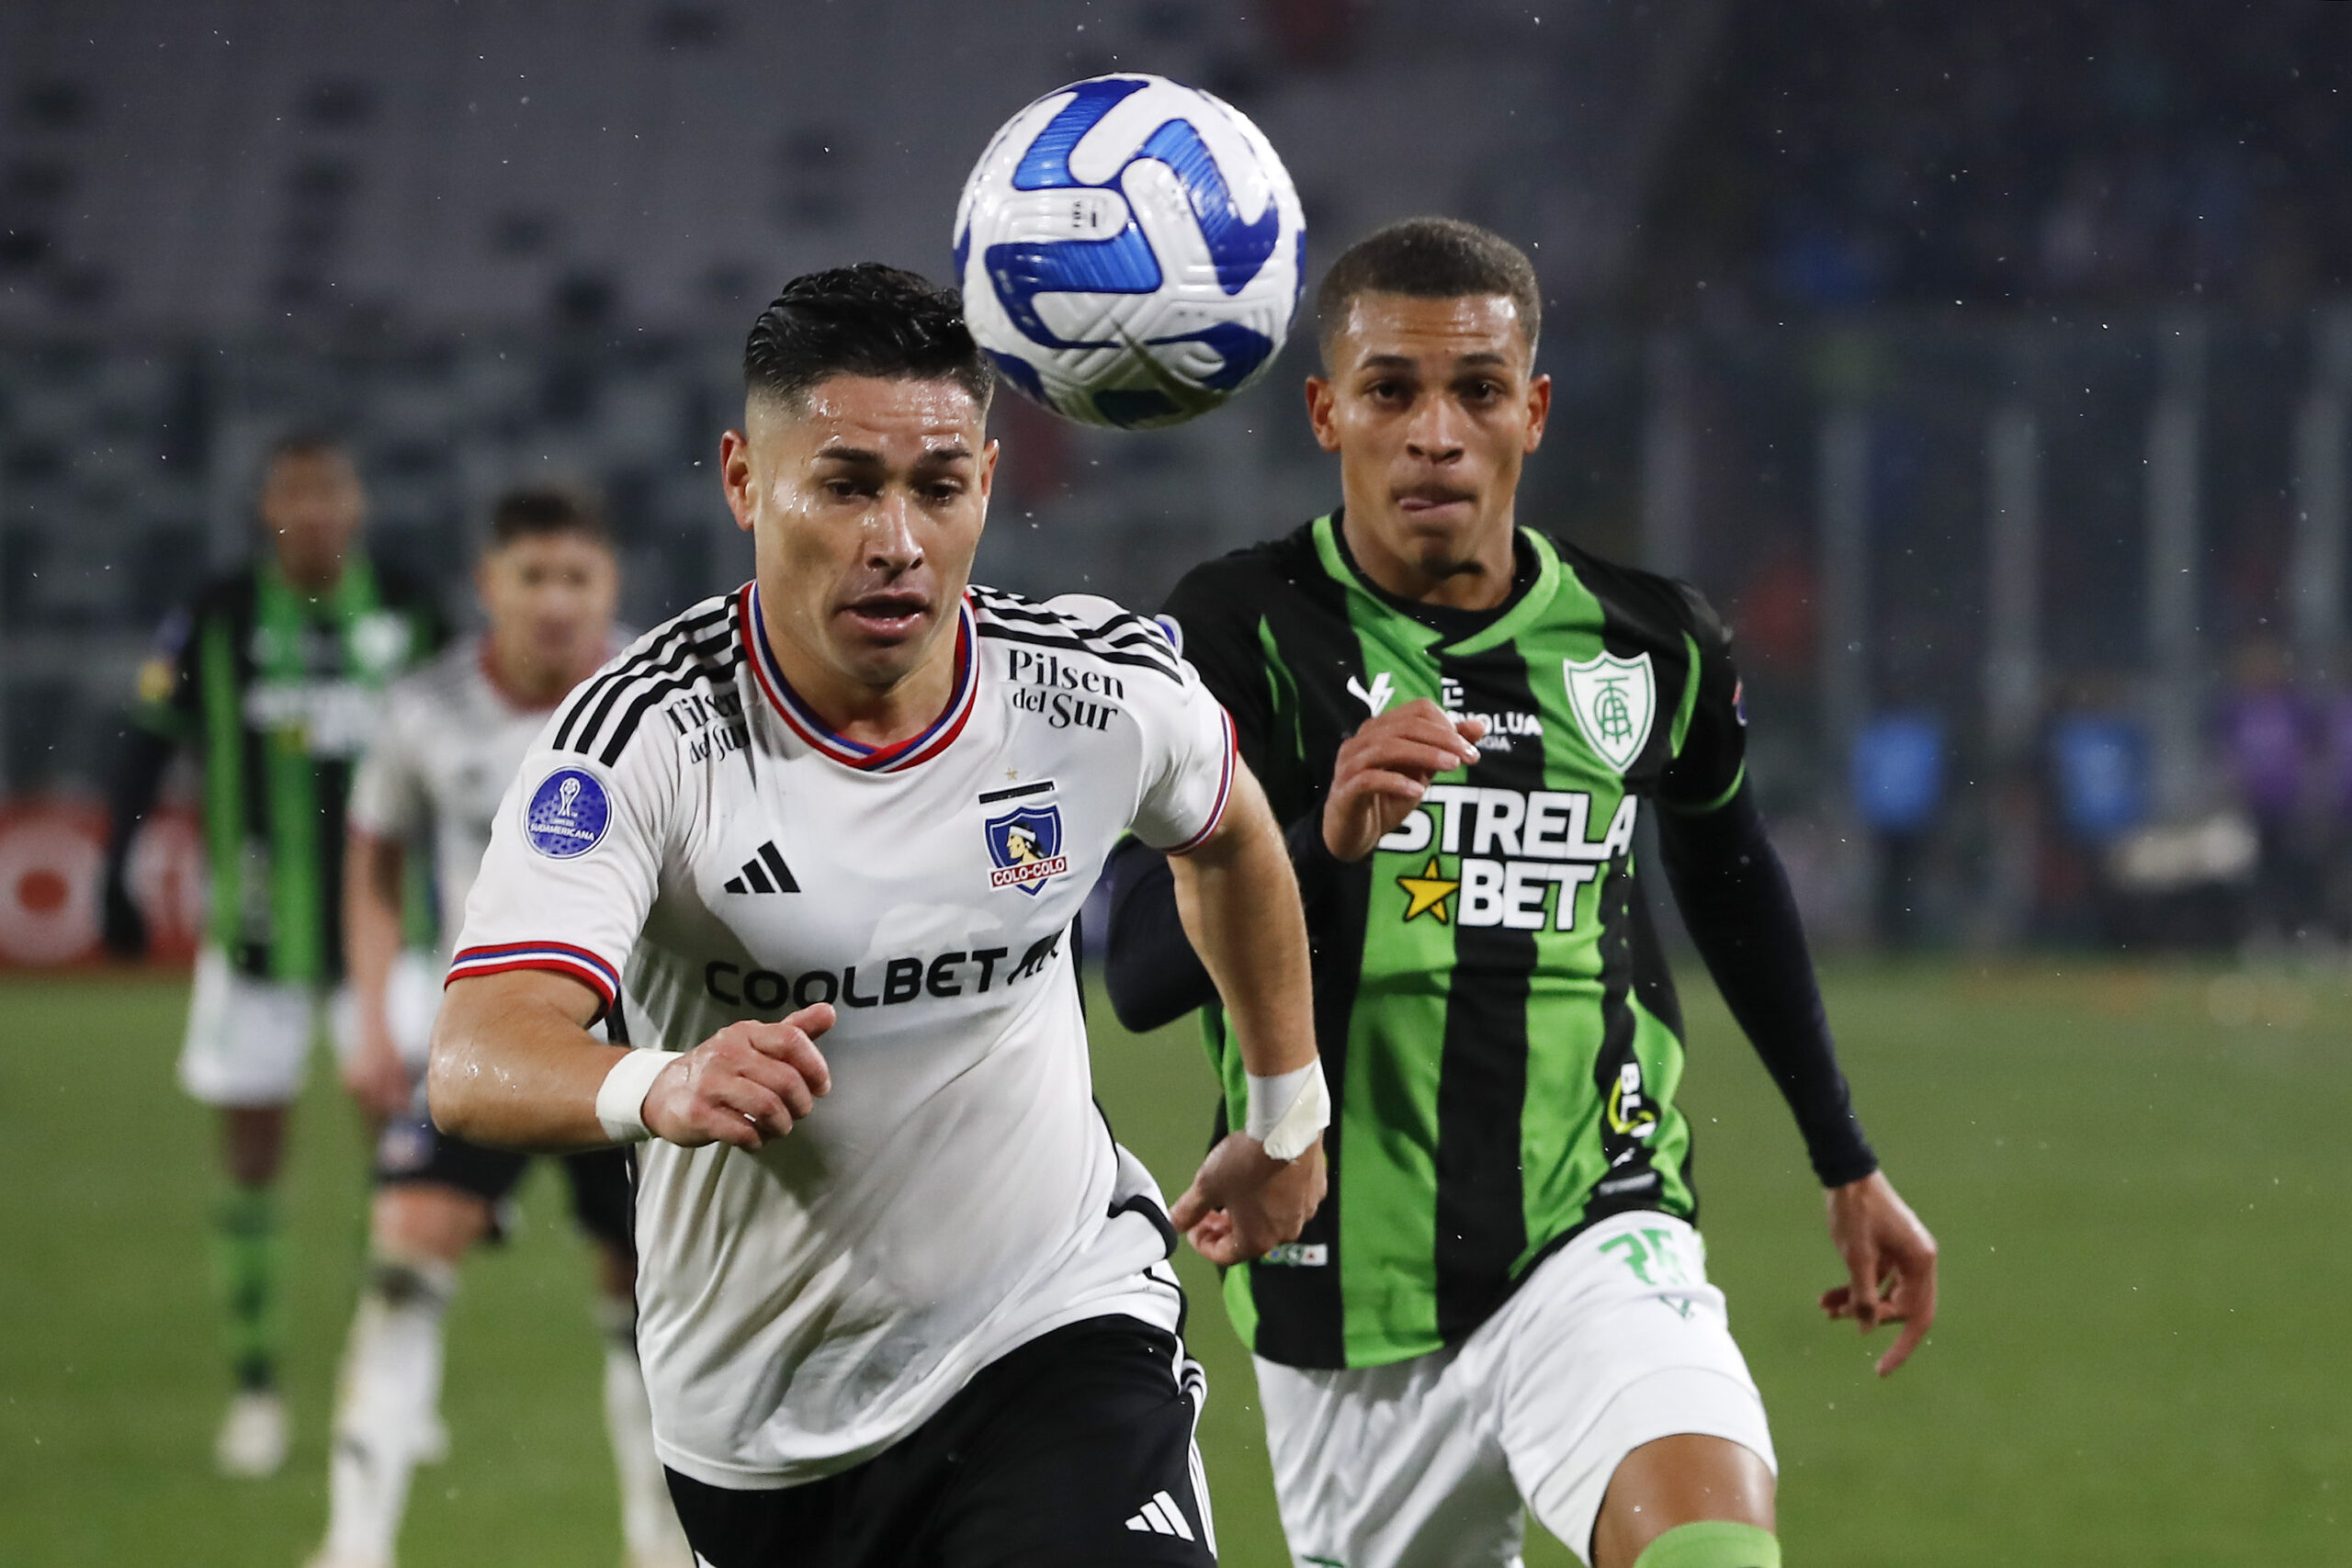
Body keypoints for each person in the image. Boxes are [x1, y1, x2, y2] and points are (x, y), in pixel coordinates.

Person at [427, 264, 1328, 1568]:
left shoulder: (1093, 695)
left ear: (989, 482)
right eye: (846, 484)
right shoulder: (643, 741)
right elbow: (476, 1052)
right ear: (744, 479)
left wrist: (1286, 1108)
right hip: (760, 1420)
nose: (896, 538)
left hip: (1053, 1332)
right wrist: (662, 1079)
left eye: (936, 486)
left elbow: (1233, 834)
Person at [1104, 218, 1939, 1568]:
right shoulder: (1239, 630)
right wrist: (1318, 838)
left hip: (1595, 1218)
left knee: (1713, 1552)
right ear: (1328, 410)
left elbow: (1727, 873)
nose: (1436, 432)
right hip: (1344, 1279)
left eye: (1478, 390)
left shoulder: (1649, 640)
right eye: (1391, 391)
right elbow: (1138, 967)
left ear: (1533, 410)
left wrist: (1843, 1153)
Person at [306, 487, 691, 1568]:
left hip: (630, 1050)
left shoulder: (658, 698)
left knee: (640, 1304)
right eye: (533, 577)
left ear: (609, 587)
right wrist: (376, 1023)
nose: (557, 602)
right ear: (490, 588)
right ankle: (355, 1544)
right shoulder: (423, 708)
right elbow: (373, 866)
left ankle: (657, 1546)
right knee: (404, 1259)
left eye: (578, 578)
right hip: (481, 1040)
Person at [100, 434, 444, 1477]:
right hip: (254, 941)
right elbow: (145, 745)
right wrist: (114, 865)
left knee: (407, 1167)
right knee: (252, 1157)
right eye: (295, 491)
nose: (315, 510)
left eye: (332, 489)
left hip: (390, 938)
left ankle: (385, 1389)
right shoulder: (217, 617)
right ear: (266, 508)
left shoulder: (413, 611)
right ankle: (255, 1392)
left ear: (358, 504)